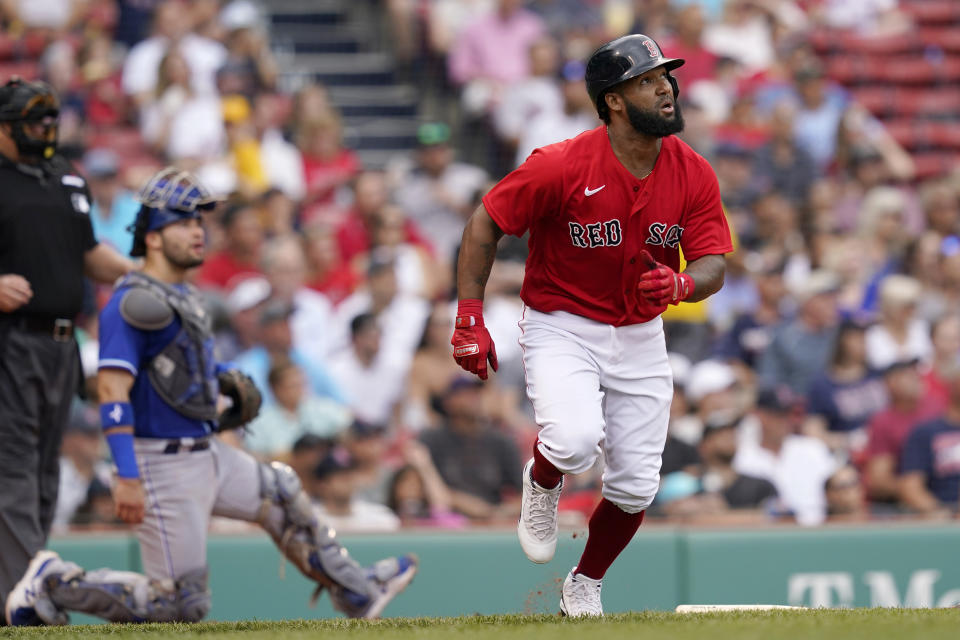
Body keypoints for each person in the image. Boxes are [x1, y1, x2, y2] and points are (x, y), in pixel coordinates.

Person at [4, 168, 416, 627]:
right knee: (179, 605)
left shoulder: (183, 295)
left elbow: (179, 371)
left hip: (205, 452)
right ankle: (54, 581)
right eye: (184, 223)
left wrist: (222, 379)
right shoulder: (132, 301)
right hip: (160, 463)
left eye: (199, 222)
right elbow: (112, 389)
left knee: (281, 492)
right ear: (155, 237)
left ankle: (356, 591)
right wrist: (125, 474)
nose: (198, 231)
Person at [451, 35, 731, 616]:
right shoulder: (560, 164)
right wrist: (470, 316)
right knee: (574, 442)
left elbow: (712, 263)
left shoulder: (693, 171)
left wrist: (683, 284)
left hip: (640, 332)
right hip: (563, 321)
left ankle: (584, 582)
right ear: (614, 101)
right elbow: (485, 223)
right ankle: (544, 479)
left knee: (634, 488)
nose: (666, 87)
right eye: (648, 79)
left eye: (666, 77)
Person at [0, 78, 133, 609]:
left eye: (51, 120)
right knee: (11, 466)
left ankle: (27, 584)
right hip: (9, 340)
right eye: (35, 122)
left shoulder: (65, 178)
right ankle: (25, 599)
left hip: (62, 341)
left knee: (42, 469)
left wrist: (141, 274)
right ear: (5, 127)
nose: (46, 131)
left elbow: (89, 254)